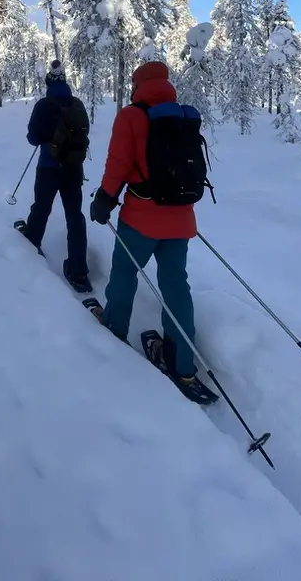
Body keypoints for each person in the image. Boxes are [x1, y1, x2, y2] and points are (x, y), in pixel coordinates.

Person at [89, 61, 217, 404]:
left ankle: (114, 330)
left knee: (125, 274)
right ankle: (182, 363)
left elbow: (118, 163)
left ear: (137, 84)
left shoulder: (131, 115)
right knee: (176, 286)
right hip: (181, 218)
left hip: (141, 218)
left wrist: (104, 199)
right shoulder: (180, 115)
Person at [16, 60, 92, 293]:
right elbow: (85, 130)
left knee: (42, 206)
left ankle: (32, 243)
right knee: (74, 216)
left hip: (49, 166)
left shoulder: (43, 105)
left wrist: (45, 137)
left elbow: (32, 137)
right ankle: (79, 270)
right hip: (73, 168)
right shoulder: (76, 103)